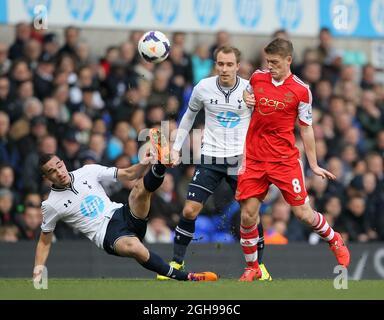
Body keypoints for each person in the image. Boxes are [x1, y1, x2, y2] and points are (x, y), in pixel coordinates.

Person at [32, 131, 218, 284]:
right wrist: (38, 270)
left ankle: (160, 162)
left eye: (58, 166)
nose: (59, 172)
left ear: (63, 163)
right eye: (52, 172)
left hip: (121, 213)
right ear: (46, 178)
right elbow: (44, 241)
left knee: (138, 189)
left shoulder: (87, 171)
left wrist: (143, 163)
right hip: (107, 235)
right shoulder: (51, 205)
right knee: (135, 248)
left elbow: (129, 174)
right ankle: (188, 277)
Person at [238, 38, 350, 281]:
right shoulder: (257, 77)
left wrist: (313, 164)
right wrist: (246, 100)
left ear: (289, 60)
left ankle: (333, 238)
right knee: (248, 215)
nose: (270, 66)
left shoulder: (301, 90)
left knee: (303, 214)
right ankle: (252, 267)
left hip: (284, 160)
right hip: (255, 158)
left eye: (275, 62)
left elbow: (306, 129)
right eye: (268, 61)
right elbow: (245, 98)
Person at [157, 46, 271, 281]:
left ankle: (259, 268)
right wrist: (176, 148)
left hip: (241, 159)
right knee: (189, 210)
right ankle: (176, 263)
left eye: (229, 64)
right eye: (221, 64)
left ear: (238, 66)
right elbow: (188, 117)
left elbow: (265, 122)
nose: (225, 69)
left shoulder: (251, 89)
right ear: (215, 65)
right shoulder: (203, 87)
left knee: (250, 215)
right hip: (210, 157)